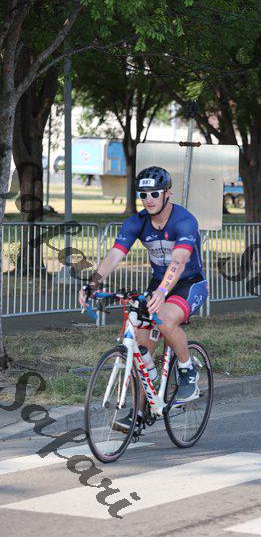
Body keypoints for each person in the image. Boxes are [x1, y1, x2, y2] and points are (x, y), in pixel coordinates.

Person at [78, 166, 208, 433]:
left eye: (154, 193)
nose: (149, 199)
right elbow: (115, 254)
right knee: (138, 348)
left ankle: (187, 371)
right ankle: (139, 413)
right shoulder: (136, 222)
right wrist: (93, 283)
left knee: (165, 320)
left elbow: (179, 260)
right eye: (143, 194)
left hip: (188, 284)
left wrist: (162, 292)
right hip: (157, 285)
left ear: (167, 193)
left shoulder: (184, 221)